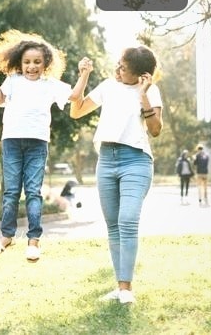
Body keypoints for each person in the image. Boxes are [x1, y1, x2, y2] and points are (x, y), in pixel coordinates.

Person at [0, 30, 92, 262]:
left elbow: (74, 95)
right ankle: (6, 236)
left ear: (45, 64)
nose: (31, 66)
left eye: (37, 62)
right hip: (12, 141)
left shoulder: (50, 84)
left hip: (37, 144)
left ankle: (33, 241)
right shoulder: (13, 81)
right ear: (19, 63)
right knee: (12, 192)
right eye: (27, 62)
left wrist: (84, 74)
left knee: (33, 192)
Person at [70, 45, 163, 305]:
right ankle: (121, 287)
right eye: (119, 64)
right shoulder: (108, 86)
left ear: (142, 75)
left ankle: (126, 289)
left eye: (124, 67)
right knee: (113, 226)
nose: (118, 69)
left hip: (136, 160)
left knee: (128, 220)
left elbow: (155, 130)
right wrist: (84, 75)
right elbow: (75, 112)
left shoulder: (151, 90)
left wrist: (143, 95)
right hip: (107, 160)